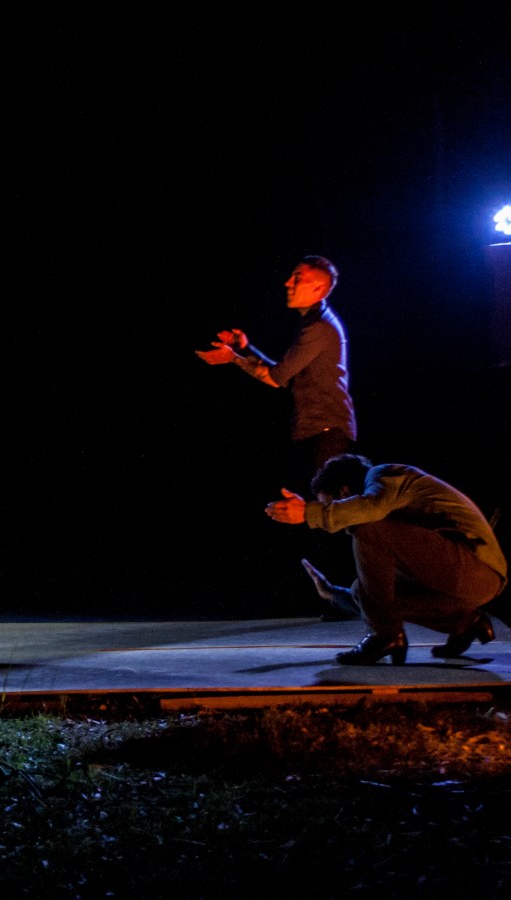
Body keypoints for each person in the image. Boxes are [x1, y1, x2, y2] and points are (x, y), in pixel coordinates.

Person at [265, 454, 507, 665]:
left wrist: (310, 512)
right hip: (462, 578)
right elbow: (377, 597)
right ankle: (466, 622)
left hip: (476, 568)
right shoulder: (392, 512)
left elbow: (371, 508)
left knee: (368, 526)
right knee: (361, 590)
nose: (331, 512)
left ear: (344, 492)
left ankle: (385, 636)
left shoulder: (385, 474)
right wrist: (333, 594)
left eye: (329, 503)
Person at [196, 255, 357, 487]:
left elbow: (274, 378)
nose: (287, 283)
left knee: (326, 508)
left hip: (326, 434)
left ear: (318, 288)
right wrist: (245, 348)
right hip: (319, 430)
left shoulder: (318, 327)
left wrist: (233, 358)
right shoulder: (314, 321)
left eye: (297, 278)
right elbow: (286, 375)